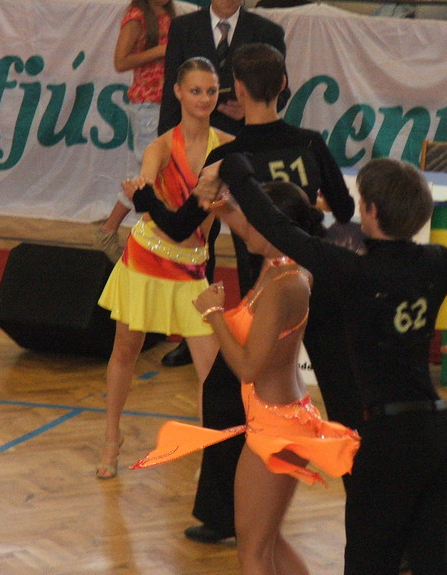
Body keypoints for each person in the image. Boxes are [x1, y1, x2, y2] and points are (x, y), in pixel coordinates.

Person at [198, 154, 447, 574]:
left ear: (370, 211)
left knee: (369, 563)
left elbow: (277, 227)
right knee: (435, 562)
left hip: (386, 440)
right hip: (438, 433)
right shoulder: (439, 261)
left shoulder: (354, 271)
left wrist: (234, 166)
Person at [135, 42, 359, 543]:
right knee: (346, 401)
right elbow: (344, 213)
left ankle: (221, 516)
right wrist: (308, 204)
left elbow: (179, 227)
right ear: (284, 86)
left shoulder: (228, 157)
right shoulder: (310, 144)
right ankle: (383, 528)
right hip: (319, 285)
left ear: (235, 89)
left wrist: (144, 197)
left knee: (223, 394)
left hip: (267, 292)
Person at [133, 181, 361, 575]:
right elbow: (246, 223)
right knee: (267, 542)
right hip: (273, 418)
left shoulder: (284, 285)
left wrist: (214, 315)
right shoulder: (278, 262)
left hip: (277, 427)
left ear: (274, 226)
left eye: (252, 221)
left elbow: (247, 368)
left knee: (252, 553)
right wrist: (222, 207)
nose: (243, 230)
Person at [94, 57, 233, 479]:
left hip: (192, 271)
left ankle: (213, 459)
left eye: (211, 91)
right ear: (177, 92)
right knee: (126, 351)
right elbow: (146, 183)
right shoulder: (160, 147)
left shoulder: (227, 146)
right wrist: (139, 190)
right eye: (195, 91)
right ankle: (111, 438)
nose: (204, 99)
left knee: (211, 370)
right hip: (147, 261)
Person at [156, 0, 291, 367]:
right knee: (198, 245)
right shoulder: (184, 28)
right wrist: (169, 152)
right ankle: (195, 333)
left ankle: (254, 330)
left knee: (253, 243)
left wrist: (249, 107)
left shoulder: (267, 31)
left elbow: (282, 90)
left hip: (247, 149)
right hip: (196, 149)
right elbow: (170, 92)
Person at [94, 0, 177, 263]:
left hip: (168, 103)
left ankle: (120, 230)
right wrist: (158, 52)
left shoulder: (167, 13)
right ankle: (113, 230)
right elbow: (120, 62)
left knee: (153, 172)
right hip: (148, 104)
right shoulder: (136, 17)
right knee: (146, 174)